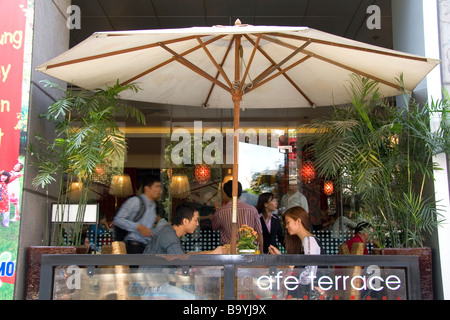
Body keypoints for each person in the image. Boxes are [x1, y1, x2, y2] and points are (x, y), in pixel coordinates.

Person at [269, 206, 322, 298]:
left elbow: (310, 273)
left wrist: (296, 277)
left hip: (311, 293)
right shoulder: (305, 242)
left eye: (288, 222)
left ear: (298, 221)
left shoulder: (309, 241)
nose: (286, 226)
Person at [143, 202, 226, 255]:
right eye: (196, 220)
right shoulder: (169, 236)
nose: (197, 224)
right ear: (185, 221)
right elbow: (182, 261)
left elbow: (186, 255)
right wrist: (211, 254)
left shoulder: (171, 232)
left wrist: (211, 252)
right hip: (154, 280)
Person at [113, 174, 162, 254]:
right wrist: (138, 227)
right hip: (134, 246)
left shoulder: (153, 205)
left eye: (160, 187)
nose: (159, 189)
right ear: (147, 188)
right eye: (157, 186)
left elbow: (147, 229)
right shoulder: (135, 201)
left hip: (147, 247)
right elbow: (117, 220)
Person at [212, 180, 263, 252]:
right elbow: (259, 234)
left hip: (228, 252)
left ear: (225, 194)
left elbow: (214, 227)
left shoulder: (220, 212)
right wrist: (261, 253)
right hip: (249, 252)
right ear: (240, 193)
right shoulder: (252, 210)